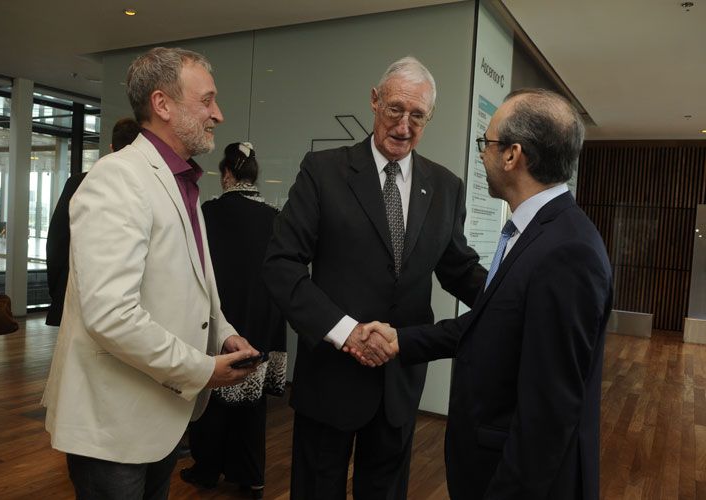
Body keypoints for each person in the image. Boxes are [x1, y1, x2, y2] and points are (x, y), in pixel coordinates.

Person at [354, 89, 614, 499]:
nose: (482, 154)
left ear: (513, 155)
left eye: (487, 143)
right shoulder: (537, 233)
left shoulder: (568, 252)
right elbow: (490, 323)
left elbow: (549, 413)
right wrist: (401, 339)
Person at [41, 47, 261, 500]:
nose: (217, 114)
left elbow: (196, 285)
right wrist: (201, 369)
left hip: (160, 416)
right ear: (162, 105)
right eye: (207, 100)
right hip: (114, 425)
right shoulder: (116, 178)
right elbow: (111, 314)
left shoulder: (184, 183)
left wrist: (224, 334)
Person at [263, 56, 487, 500]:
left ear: (429, 118)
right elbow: (282, 264)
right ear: (373, 100)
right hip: (330, 377)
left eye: (417, 115)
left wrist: (513, 293)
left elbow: (458, 268)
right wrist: (347, 333)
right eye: (395, 110)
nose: (404, 126)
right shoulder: (323, 171)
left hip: (398, 383)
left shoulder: (445, 187)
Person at [180, 142, 287, 498]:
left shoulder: (209, 212)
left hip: (217, 319)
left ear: (227, 174)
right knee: (252, 407)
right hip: (261, 317)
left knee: (210, 400)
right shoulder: (275, 217)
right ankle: (251, 476)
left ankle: (207, 469)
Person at [45, 117, 142, 326]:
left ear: (110, 148)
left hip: (78, 292)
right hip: (132, 302)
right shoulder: (149, 188)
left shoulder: (78, 183)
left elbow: (57, 241)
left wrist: (57, 289)